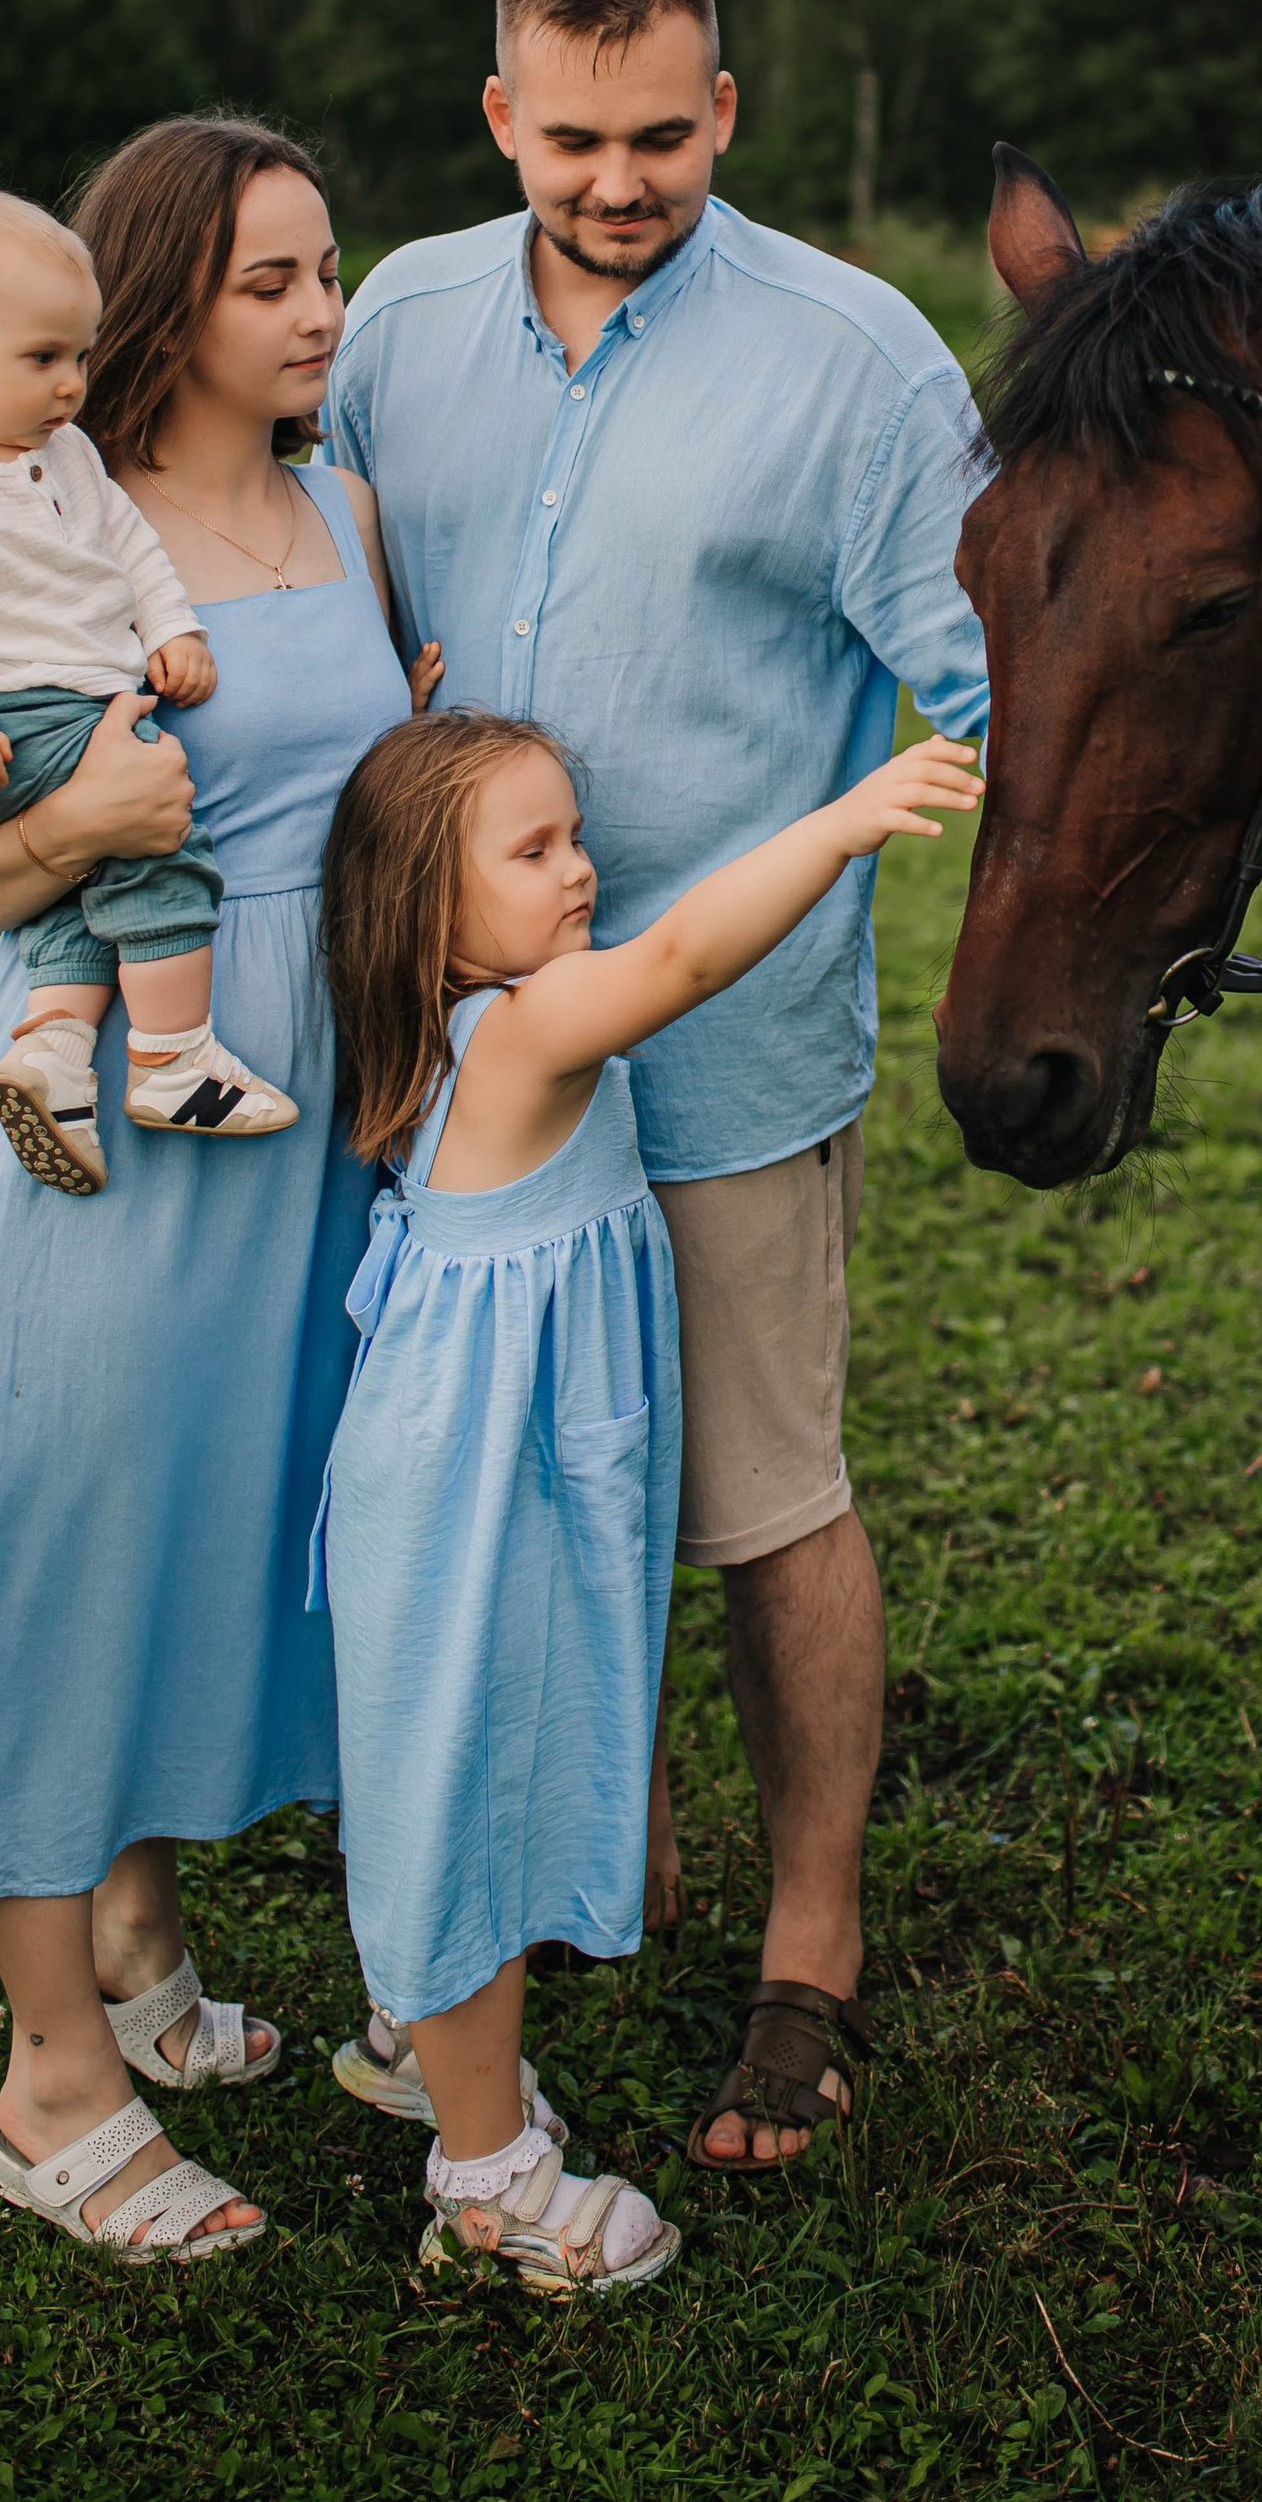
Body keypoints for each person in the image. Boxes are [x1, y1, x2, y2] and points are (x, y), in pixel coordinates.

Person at [323, 0, 990, 2174]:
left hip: (725, 1059)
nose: (617, 181)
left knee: (764, 1503)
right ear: (499, 114)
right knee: (507, 1487)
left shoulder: (861, 366)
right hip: (444, 1087)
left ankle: (811, 1948)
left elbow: (992, 686)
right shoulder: (393, 327)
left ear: (722, 106)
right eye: (571, 139)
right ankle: (610, 1843)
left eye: (659, 136)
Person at [0, 118, 431, 2262]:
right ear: (167, 300)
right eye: (273, 281)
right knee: (58, 1545)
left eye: (328, 269)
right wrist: (90, 823)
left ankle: (143, 1939)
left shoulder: (344, 508)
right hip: (103, 1124)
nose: (322, 311)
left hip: (300, 1116)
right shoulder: (54, 517)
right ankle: (49, 2083)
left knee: (202, 1527)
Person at [316, 704, 979, 2292]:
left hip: (467, 1464)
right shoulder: (526, 1030)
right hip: (475, 1482)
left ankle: (433, 2051)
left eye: (575, 835)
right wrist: (841, 823)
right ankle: (486, 2183)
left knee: (464, 1765)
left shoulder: (451, 1028)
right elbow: (680, 958)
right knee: (474, 1791)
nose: (580, 869)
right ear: (428, 910)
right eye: (532, 849)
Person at [0, 185, 297, 1196]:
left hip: (72, 703)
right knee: (159, 840)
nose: (72, 384)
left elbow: (128, 542)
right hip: (11, 718)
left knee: (80, 900)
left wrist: (169, 626)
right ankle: (172, 1057)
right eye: (43, 359)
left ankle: (50, 1054)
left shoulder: (64, 451)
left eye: (80, 356)